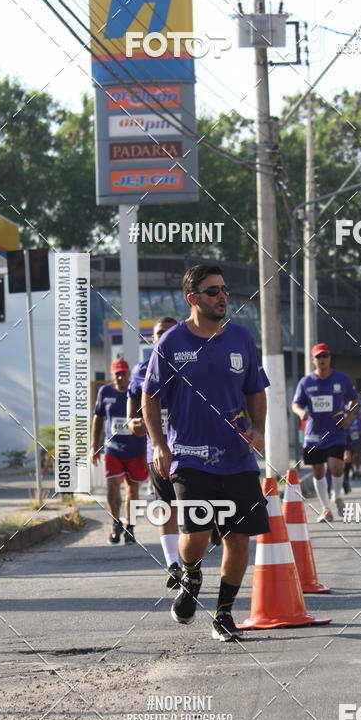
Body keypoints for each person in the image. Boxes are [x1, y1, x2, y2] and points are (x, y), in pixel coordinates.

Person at [141, 264, 270, 643]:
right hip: (189, 455)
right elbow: (149, 398)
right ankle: (191, 572)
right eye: (213, 291)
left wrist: (258, 428)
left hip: (238, 455)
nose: (222, 296)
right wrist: (160, 445)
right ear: (193, 298)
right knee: (196, 532)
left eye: (224, 289)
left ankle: (224, 613)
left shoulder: (242, 339)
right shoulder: (172, 343)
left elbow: (256, 390)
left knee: (239, 535)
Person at [127, 317, 182, 588]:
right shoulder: (140, 371)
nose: (164, 336)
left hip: (191, 448)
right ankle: (174, 564)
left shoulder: (188, 363)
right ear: (152, 339)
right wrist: (135, 423)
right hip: (157, 451)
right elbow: (131, 418)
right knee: (166, 506)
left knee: (196, 507)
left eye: (170, 332)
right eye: (159, 333)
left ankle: (194, 554)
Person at [292, 343, 358, 521]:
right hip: (314, 434)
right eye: (318, 356)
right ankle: (326, 509)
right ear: (313, 360)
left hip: (336, 431)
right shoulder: (306, 382)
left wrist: (349, 418)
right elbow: (295, 403)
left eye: (325, 356)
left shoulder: (341, 379)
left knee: (336, 466)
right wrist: (301, 413)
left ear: (330, 358)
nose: (322, 359)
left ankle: (337, 496)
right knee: (318, 470)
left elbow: (355, 399)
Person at [90, 359, 148, 544]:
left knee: (133, 488)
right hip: (112, 448)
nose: (121, 377)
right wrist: (93, 446)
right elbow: (97, 419)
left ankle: (130, 528)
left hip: (137, 448)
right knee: (113, 485)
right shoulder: (105, 391)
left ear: (129, 373)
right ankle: (116, 523)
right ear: (112, 374)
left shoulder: (137, 390)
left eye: (124, 373)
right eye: (117, 374)